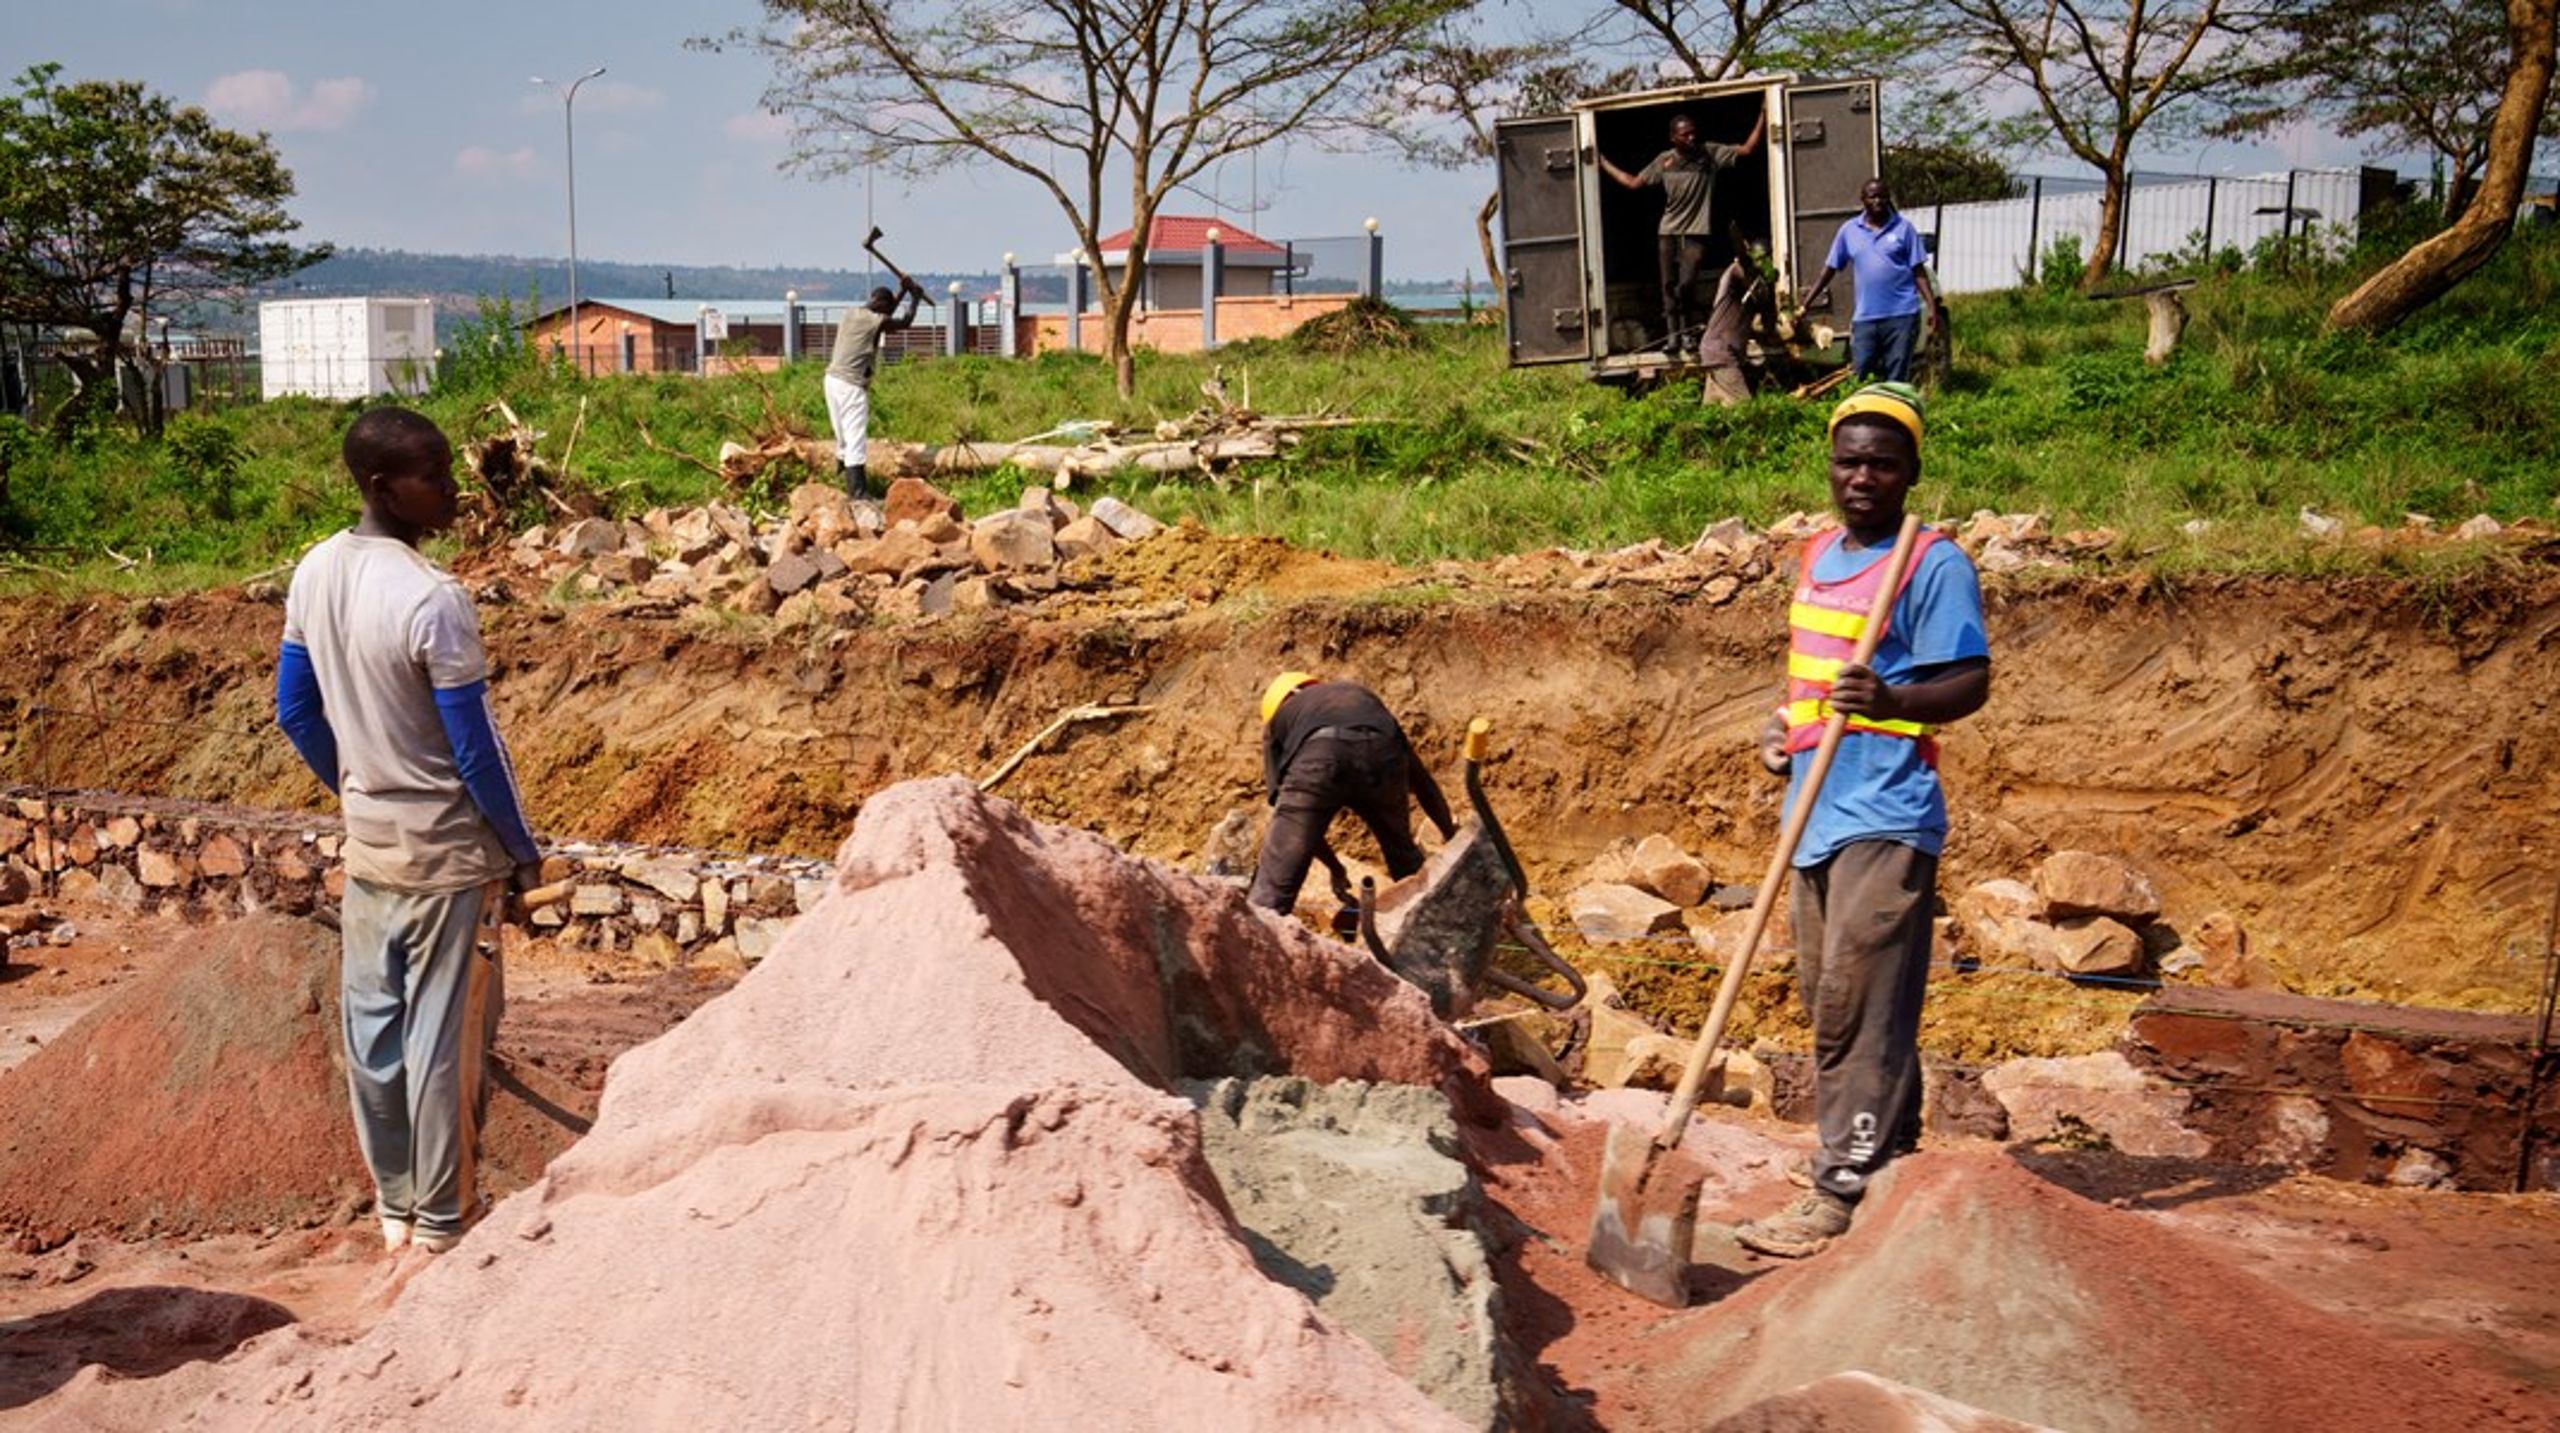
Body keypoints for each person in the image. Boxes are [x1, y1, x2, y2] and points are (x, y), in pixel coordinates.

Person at [275, 405, 544, 1258]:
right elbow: (476, 748)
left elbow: (294, 710)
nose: (454, 491)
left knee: (373, 1030)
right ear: (385, 488)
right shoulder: (434, 599)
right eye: (435, 477)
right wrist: (523, 849)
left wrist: (356, 782)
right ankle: (440, 1220)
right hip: (443, 854)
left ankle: (393, 1208)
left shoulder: (314, 570)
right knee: (438, 1038)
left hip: (371, 842)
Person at [1731, 382, 1990, 1259]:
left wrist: (1894, 696)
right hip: (1812, 808)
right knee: (1835, 998)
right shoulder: (1818, 556)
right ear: (1830, 466)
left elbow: (1970, 682)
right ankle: (1893, 1152)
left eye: (1883, 461)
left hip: (1886, 812)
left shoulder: (1932, 564)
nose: (1864, 476)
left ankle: (1839, 1185)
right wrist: (1783, 732)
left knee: (1854, 1005)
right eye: (1850, 460)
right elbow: (1812, 681)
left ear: (1912, 469)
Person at [1249, 673, 1457, 924]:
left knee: (1272, 891)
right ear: (1310, 686)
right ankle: (1438, 926)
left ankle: (1252, 941)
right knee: (1404, 856)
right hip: (1384, 755)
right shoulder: (1357, 695)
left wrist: (1335, 869)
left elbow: (1295, 823)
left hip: (1319, 758)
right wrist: (1452, 838)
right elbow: (1424, 784)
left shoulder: (1277, 723)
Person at [1599, 109, 1767, 355]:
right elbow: (1633, 182)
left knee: (1686, 284)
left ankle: (1687, 332)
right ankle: (1674, 337)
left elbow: (1748, 149)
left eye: (1693, 133)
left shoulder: (1709, 154)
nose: (1691, 138)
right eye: (1685, 134)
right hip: (1668, 232)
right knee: (1668, 285)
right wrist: (1602, 163)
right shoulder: (1664, 161)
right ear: (1673, 138)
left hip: (1696, 232)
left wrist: (1762, 114)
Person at [1798, 179, 1947, 384]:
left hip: (1902, 316)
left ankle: (1893, 414)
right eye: (1872, 197)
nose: (1878, 201)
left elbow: (1918, 271)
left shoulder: (1904, 229)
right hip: (1866, 318)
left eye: (1882, 196)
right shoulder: (1849, 231)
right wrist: (1806, 303)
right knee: (1861, 373)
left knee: (1896, 377)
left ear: (1888, 199)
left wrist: (1931, 307)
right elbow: (1829, 270)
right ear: (1863, 200)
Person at [824, 280, 923, 499]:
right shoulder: (874, 321)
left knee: (842, 438)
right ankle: (858, 493)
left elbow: (884, 314)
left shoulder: (851, 313)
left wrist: (902, 291)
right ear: (881, 304)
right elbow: (904, 322)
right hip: (851, 385)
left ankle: (840, 479)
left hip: (831, 380)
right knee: (855, 437)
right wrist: (915, 298)